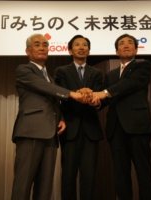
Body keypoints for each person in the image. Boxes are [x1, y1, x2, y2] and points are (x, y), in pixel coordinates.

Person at [11, 33, 86, 200]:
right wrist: (72, 94)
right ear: (28, 51)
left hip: (51, 134)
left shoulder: (50, 78)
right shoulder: (24, 70)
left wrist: (62, 119)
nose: (42, 47)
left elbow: (52, 101)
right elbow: (43, 87)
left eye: (45, 45)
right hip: (30, 132)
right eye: (37, 44)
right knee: (23, 184)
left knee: (45, 187)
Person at [92, 34, 151, 200]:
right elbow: (105, 100)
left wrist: (104, 93)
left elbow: (130, 83)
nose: (126, 45)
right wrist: (95, 102)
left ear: (136, 49)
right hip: (115, 128)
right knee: (120, 175)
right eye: (122, 43)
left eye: (130, 43)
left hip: (138, 126)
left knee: (144, 173)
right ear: (116, 51)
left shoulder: (143, 66)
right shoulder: (111, 74)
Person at [54, 35, 104, 200]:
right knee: (68, 175)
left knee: (89, 176)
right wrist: (81, 92)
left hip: (91, 129)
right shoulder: (61, 71)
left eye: (85, 45)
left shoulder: (97, 73)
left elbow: (99, 98)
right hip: (70, 127)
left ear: (89, 51)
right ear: (70, 50)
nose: (81, 47)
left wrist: (92, 98)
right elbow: (60, 95)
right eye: (77, 45)